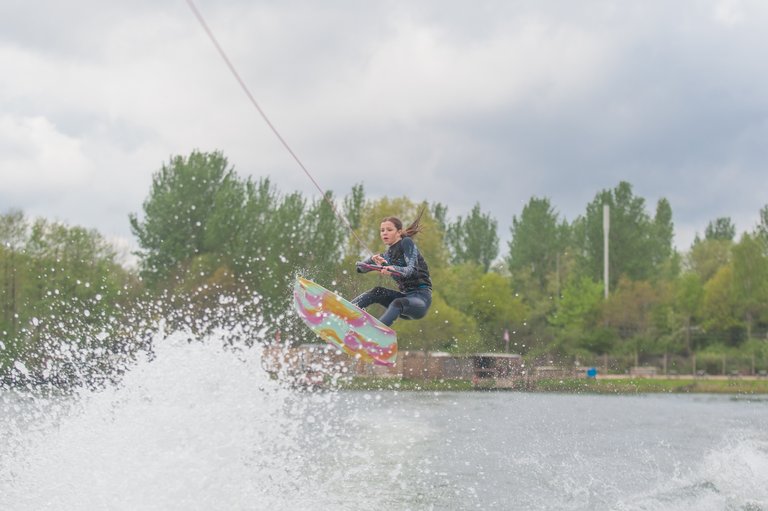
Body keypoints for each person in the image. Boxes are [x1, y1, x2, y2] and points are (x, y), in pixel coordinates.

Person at [352, 210, 432, 327]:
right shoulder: (386, 256)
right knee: (377, 292)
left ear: (399, 232)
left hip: (420, 299)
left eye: (389, 230)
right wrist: (373, 263)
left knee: (397, 303)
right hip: (405, 297)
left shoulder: (406, 243)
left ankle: (378, 332)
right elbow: (360, 269)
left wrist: (391, 268)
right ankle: (347, 311)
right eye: (382, 230)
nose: (385, 233)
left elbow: (411, 270)